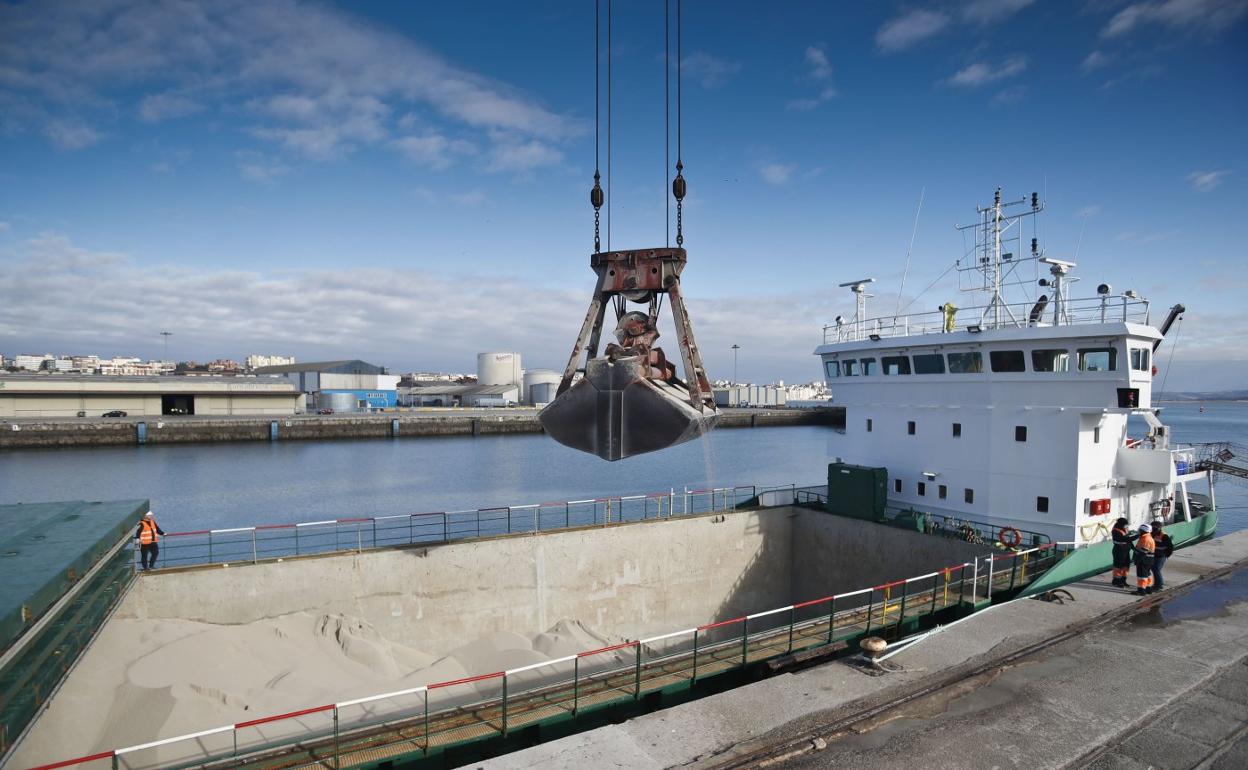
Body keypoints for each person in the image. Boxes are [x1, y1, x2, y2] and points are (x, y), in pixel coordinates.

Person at [1110, 517, 1134, 588]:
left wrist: (1133, 548)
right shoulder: (1116, 531)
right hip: (1119, 550)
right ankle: (1116, 581)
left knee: (1126, 565)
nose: (1126, 526)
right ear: (1121, 524)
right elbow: (1125, 539)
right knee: (1118, 566)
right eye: (1125, 525)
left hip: (1126, 550)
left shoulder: (1125, 529)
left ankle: (1123, 580)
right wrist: (1137, 536)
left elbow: (1128, 539)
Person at [1133, 523, 1156, 595]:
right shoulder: (1145, 537)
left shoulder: (1146, 539)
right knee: (1147, 574)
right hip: (1148, 560)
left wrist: (1137, 560)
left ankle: (1141, 590)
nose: (1139, 531)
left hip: (1144, 560)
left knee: (1141, 576)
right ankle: (1148, 588)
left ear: (1144, 531)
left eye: (1140, 530)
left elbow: (1143, 552)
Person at [1151, 520, 1174, 590]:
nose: (1152, 529)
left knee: (1156, 569)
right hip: (1155, 554)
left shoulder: (1164, 536)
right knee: (1154, 569)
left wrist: (1167, 556)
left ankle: (1159, 585)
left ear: (1159, 528)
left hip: (1161, 555)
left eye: (1154, 528)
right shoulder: (1152, 533)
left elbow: (1170, 547)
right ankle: (1156, 584)